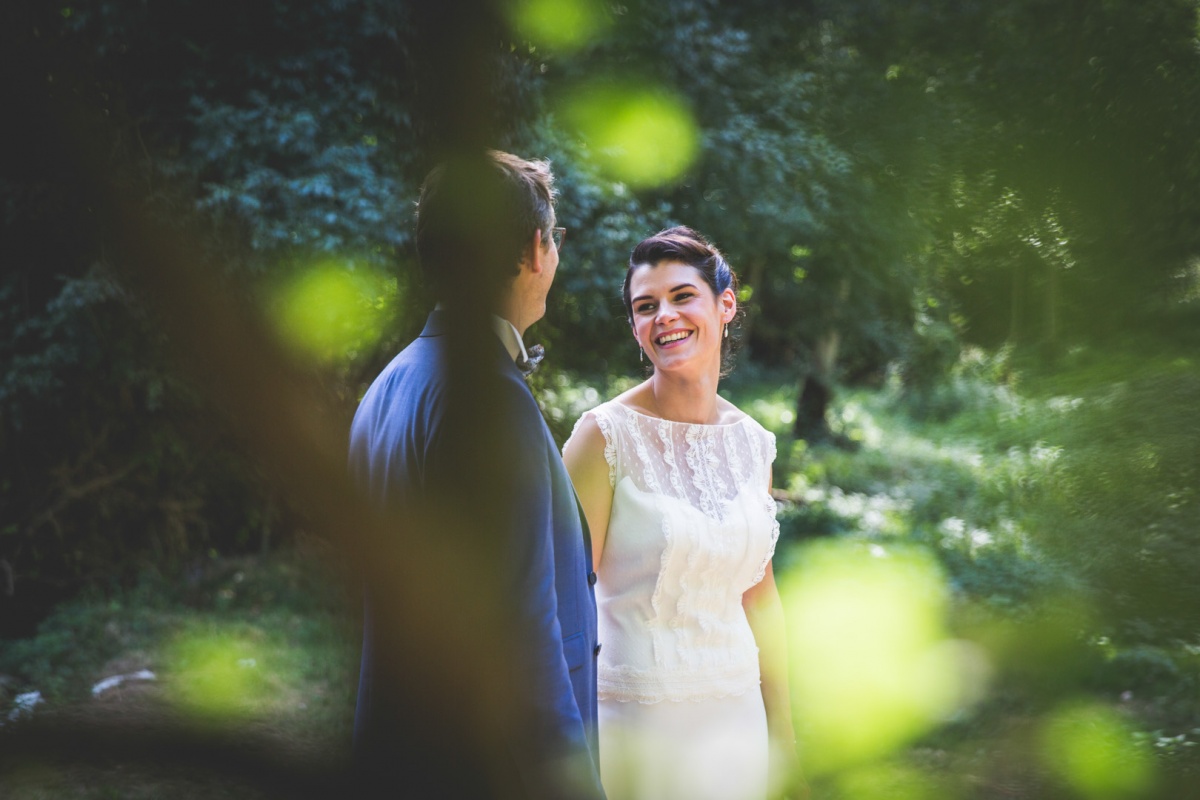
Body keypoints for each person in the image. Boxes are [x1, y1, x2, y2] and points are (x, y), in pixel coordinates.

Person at [348, 150, 604, 798]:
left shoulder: (387, 386)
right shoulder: (487, 405)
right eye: (556, 237)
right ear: (532, 249)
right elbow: (523, 635)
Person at [563, 226, 799, 799]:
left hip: (736, 723)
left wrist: (784, 737)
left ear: (725, 305)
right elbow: (563, 604)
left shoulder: (753, 443)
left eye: (681, 296)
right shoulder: (602, 438)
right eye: (646, 306)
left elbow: (759, 597)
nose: (663, 315)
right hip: (636, 731)